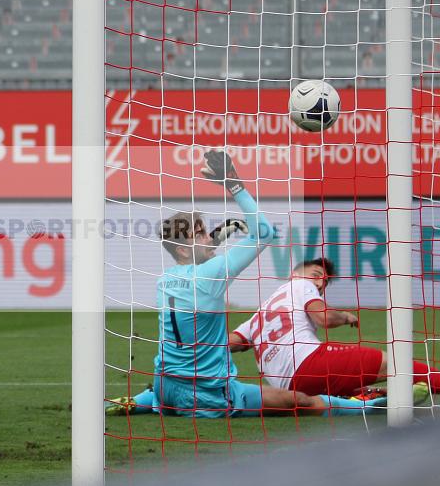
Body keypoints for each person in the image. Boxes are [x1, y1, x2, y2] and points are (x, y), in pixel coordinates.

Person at [134, 149, 387, 419]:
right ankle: (366, 406)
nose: (209, 238)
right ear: (183, 250)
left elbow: (195, 262)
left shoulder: (166, 280)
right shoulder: (211, 275)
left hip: (165, 386)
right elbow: (264, 232)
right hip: (206, 393)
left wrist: (217, 237)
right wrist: (233, 184)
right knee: (298, 401)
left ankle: (139, 400)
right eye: (201, 234)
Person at [228, 257, 440, 405]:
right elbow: (324, 317)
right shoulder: (300, 285)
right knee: (397, 361)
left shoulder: (259, 312)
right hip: (307, 365)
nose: (319, 284)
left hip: (286, 389)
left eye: (323, 283)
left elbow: (230, 342)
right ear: (295, 273)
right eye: (316, 276)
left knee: (355, 375)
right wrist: (346, 316)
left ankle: (368, 396)